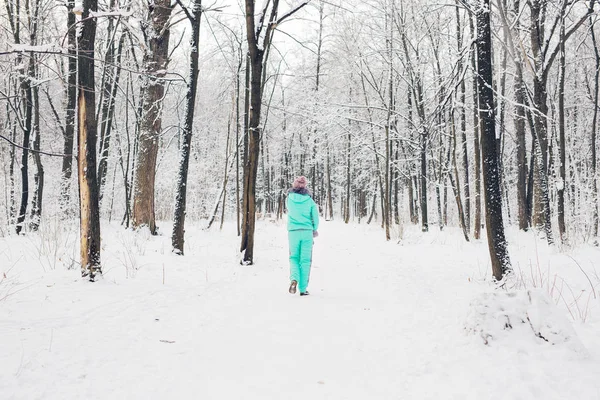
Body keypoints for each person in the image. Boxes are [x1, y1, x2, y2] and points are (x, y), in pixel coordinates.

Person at [286, 176, 319, 296]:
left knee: (294, 257)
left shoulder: (289, 199)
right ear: (305, 186)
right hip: (307, 232)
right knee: (305, 260)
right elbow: (315, 217)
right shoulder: (309, 201)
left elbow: (290, 211)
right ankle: (303, 289)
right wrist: (314, 229)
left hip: (293, 232)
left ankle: (294, 279)